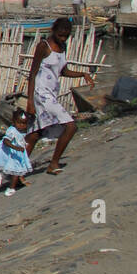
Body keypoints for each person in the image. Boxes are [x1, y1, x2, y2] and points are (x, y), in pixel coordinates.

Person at [24, 17, 95, 175]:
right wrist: (30, 102)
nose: (63, 38)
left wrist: (82, 74)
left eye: (66, 36)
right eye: (61, 35)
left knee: (35, 134)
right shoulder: (44, 46)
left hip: (51, 94)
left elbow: (63, 71)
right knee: (71, 126)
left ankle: (14, 170)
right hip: (40, 94)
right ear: (54, 31)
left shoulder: (63, 47)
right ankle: (53, 163)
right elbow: (32, 73)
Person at [0, 109, 32, 196]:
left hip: (18, 154)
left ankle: (12, 186)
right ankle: (9, 184)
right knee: (10, 168)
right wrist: (15, 147)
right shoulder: (12, 130)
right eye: (19, 123)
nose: (22, 125)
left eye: (24, 123)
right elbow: (6, 141)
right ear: (14, 121)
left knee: (16, 170)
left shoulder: (24, 131)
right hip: (10, 151)